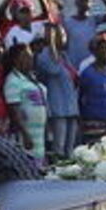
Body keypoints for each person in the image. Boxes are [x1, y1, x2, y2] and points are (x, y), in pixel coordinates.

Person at [35, 23, 80, 159]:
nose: (62, 37)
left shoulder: (65, 56)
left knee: (70, 150)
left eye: (64, 35)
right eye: (59, 35)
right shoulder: (43, 55)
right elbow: (53, 69)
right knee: (58, 148)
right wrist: (51, 45)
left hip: (71, 107)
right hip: (57, 108)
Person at [3, 43, 49, 164]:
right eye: (26, 56)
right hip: (27, 134)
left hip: (40, 132)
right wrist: (25, 134)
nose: (30, 59)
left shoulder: (31, 77)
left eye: (31, 56)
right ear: (16, 59)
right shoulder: (13, 81)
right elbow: (14, 110)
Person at [78, 33, 106, 142]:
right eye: (101, 48)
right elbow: (81, 95)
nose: (104, 51)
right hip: (94, 119)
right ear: (94, 51)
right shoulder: (87, 72)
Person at [63, 0, 106, 69]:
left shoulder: (93, 20)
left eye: (88, 1)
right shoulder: (67, 22)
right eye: (82, 0)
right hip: (73, 66)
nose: (85, 3)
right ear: (76, 3)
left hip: (90, 66)